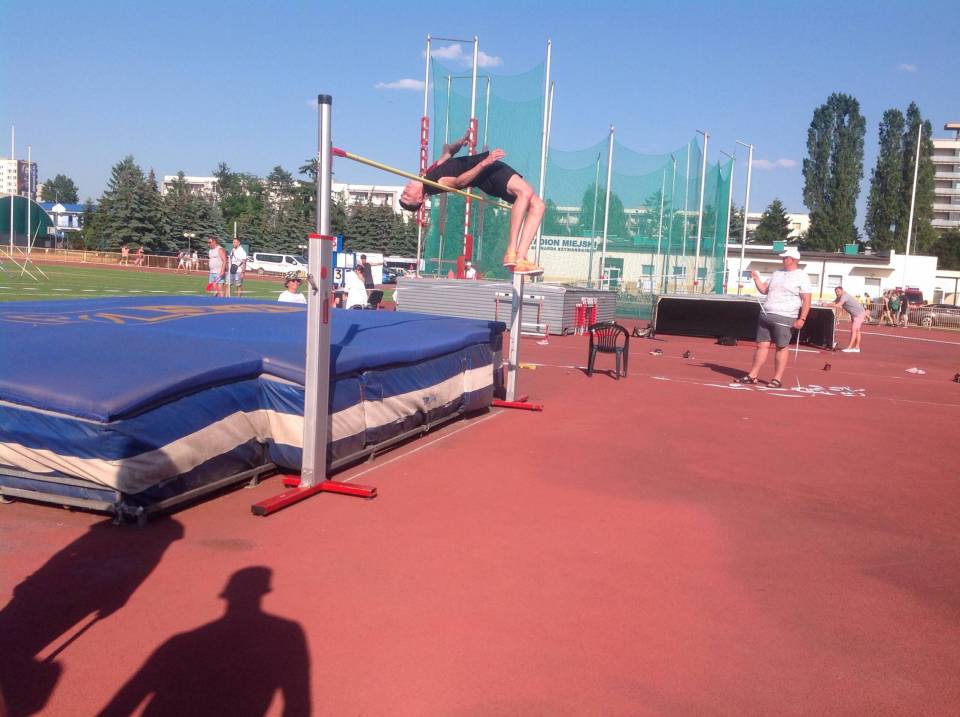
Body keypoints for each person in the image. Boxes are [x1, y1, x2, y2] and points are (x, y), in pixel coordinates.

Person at [398, 131, 545, 275]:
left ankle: (521, 258)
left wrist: (460, 142)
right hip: (489, 173)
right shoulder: (433, 185)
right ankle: (511, 251)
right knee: (525, 192)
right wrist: (484, 163)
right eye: (407, 196)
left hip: (491, 169)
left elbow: (448, 152)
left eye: (403, 193)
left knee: (538, 206)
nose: (405, 190)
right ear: (420, 199)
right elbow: (459, 182)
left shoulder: (428, 175)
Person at [736, 246, 812, 388]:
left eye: (785, 257)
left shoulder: (802, 276)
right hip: (766, 314)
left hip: (786, 316)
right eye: (783, 257)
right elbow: (764, 290)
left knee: (781, 347)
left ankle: (777, 378)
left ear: (794, 260)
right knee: (761, 346)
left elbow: (807, 299)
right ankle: (753, 375)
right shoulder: (776, 273)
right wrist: (756, 279)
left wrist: (802, 319)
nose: (783, 259)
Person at [826, 285, 866, 352]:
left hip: (859, 314)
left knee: (854, 330)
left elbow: (838, 305)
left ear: (842, 290)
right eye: (836, 292)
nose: (837, 293)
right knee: (857, 331)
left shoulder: (844, 296)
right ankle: (857, 348)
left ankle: (849, 348)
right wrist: (825, 304)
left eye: (838, 292)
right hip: (854, 314)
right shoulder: (839, 296)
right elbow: (834, 302)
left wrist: (827, 305)